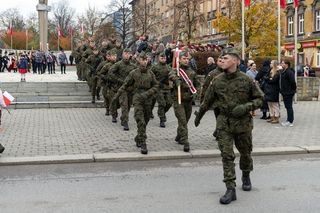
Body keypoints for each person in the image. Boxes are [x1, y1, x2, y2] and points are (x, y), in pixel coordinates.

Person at [194, 48, 264, 205]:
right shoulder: (217, 80)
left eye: (225, 58)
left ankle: (246, 174)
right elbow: (207, 100)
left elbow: (260, 98)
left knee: (245, 153)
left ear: (235, 61)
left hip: (243, 124)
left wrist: (246, 107)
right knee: (227, 155)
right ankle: (230, 188)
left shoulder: (246, 80)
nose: (222, 60)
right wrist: (198, 116)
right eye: (221, 58)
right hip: (224, 122)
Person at [113, 52, 159, 154]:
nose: (144, 61)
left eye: (146, 59)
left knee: (145, 121)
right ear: (138, 60)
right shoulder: (133, 73)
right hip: (137, 98)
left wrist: (148, 93)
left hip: (148, 100)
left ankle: (138, 137)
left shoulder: (151, 74)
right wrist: (116, 97)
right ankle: (143, 143)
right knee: (140, 121)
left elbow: (156, 86)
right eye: (142, 59)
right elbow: (125, 85)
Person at [169, 51, 201, 152]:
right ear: (180, 60)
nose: (186, 61)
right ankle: (185, 141)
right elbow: (171, 75)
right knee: (182, 120)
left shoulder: (192, 72)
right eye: (184, 59)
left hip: (188, 101)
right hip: (178, 100)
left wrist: (197, 93)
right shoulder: (176, 71)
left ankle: (179, 135)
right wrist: (176, 80)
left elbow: (198, 84)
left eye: (187, 59)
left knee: (185, 120)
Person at [108, 48, 136, 130]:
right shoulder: (118, 64)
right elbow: (110, 72)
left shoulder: (133, 66)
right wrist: (118, 80)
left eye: (128, 53)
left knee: (128, 105)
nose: (127, 55)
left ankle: (123, 118)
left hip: (130, 89)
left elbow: (136, 76)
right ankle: (125, 122)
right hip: (121, 88)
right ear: (123, 55)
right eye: (125, 53)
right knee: (124, 105)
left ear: (130, 55)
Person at [150, 52, 172, 128]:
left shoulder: (168, 67)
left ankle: (161, 112)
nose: (163, 59)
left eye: (164, 58)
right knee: (162, 103)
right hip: (158, 88)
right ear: (159, 58)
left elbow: (172, 76)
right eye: (162, 58)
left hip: (167, 88)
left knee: (169, 103)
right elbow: (150, 77)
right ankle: (162, 119)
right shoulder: (155, 67)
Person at [280, 60, 296, 127]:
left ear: (286, 64)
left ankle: (290, 121)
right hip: (285, 92)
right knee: (287, 107)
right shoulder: (284, 71)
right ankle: (288, 120)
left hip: (288, 92)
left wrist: (292, 90)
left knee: (289, 107)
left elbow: (293, 82)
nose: (281, 64)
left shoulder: (289, 72)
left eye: (282, 63)